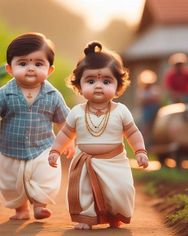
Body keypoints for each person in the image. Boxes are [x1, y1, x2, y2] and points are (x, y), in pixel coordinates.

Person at [48, 42, 149, 230]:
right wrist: (55, 150)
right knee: (84, 192)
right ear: (79, 85)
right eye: (91, 81)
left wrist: (140, 151)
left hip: (115, 161)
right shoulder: (77, 112)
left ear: (119, 84)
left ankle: (114, 214)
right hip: (85, 161)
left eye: (106, 81)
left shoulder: (121, 111)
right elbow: (65, 133)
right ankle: (86, 218)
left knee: (120, 189)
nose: (98, 86)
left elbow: (133, 132)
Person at [0, 32, 74, 220]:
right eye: (23, 64)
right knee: (13, 182)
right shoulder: (5, 93)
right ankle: (21, 209)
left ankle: (40, 205)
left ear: (49, 70)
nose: (30, 69)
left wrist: (69, 141)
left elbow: (64, 120)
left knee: (45, 176)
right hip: (10, 148)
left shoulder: (53, 95)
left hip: (43, 147)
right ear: (9, 68)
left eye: (38, 64)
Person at [137, 70, 161, 147]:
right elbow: (142, 101)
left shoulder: (154, 89)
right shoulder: (142, 90)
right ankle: (145, 142)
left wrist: (148, 100)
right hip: (146, 111)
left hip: (154, 110)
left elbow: (156, 99)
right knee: (146, 126)